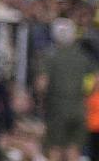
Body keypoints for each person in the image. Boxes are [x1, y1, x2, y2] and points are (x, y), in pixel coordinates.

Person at [35, 18, 95, 161]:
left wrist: (39, 100)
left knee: (55, 148)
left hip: (57, 109)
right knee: (73, 148)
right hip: (79, 109)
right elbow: (96, 77)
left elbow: (41, 83)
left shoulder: (49, 55)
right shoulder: (82, 56)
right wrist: (85, 92)